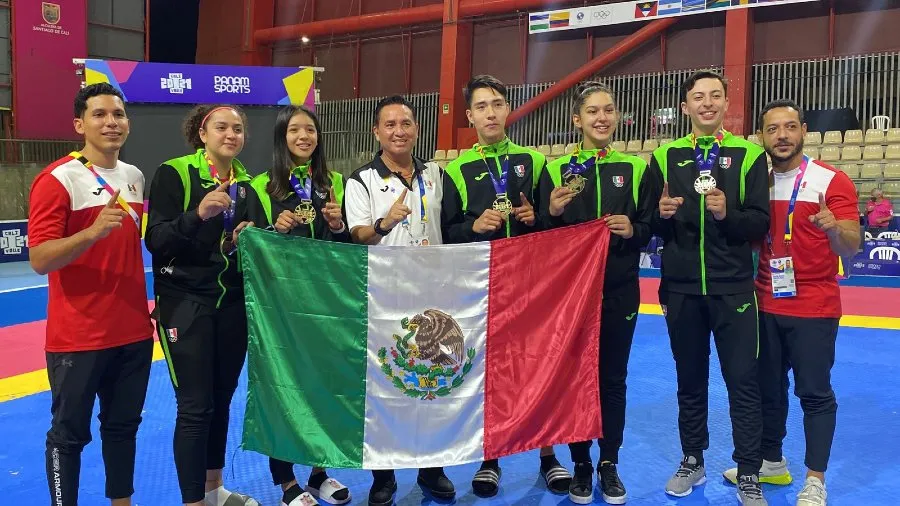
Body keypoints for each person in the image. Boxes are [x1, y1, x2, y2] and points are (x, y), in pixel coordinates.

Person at [720, 100, 859, 506]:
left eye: (789, 127)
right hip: (763, 302)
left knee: (814, 392)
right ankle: (772, 462)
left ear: (803, 130)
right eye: (772, 129)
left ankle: (815, 479)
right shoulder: (753, 180)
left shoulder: (830, 180)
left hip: (814, 306)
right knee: (768, 390)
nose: (782, 136)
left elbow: (852, 244)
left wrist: (835, 229)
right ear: (761, 136)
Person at [440, 74, 572, 498]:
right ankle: (490, 457)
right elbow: (448, 232)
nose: (491, 112)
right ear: (470, 115)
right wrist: (473, 227)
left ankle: (548, 455)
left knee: (542, 366)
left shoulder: (535, 162)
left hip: (535, 285)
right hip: (484, 287)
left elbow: (555, 223)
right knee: (489, 371)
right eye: (482, 106)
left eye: (497, 103)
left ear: (507, 109)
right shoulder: (456, 170)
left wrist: (539, 218)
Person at [27, 83, 154, 506]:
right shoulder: (56, 179)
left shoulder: (134, 177)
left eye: (118, 114)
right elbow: (41, 259)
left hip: (133, 333)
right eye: (99, 115)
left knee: (123, 430)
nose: (111, 122)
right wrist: (92, 231)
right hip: (78, 338)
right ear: (80, 124)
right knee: (68, 436)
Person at [649, 70, 770, 505]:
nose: (706, 103)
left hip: (733, 288)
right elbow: (650, 224)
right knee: (689, 380)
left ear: (725, 103)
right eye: (697, 97)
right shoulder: (664, 156)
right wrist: (660, 215)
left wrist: (726, 215)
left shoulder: (749, 155)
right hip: (680, 289)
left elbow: (760, 221)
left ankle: (750, 470)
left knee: (743, 381)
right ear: (685, 107)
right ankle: (692, 459)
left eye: (715, 96)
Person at [538, 81, 654, 505]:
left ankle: (609, 462)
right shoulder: (555, 170)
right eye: (592, 111)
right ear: (577, 119)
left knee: (612, 379)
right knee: (575, 379)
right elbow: (544, 237)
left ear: (617, 116)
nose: (601, 118)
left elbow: (650, 226)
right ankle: (581, 462)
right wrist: (551, 211)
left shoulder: (638, 168)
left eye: (608, 110)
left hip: (620, 289)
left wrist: (634, 230)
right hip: (572, 296)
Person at [144, 104, 257, 506]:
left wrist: (240, 237)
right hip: (184, 303)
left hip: (230, 304)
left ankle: (213, 490)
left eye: (238, 129)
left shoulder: (245, 183)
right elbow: (156, 240)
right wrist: (198, 214)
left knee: (222, 399)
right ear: (202, 132)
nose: (231, 134)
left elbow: (227, 246)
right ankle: (193, 502)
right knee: (195, 406)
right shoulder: (175, 172)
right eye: (222, 127)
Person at [343, 95, 452, 505]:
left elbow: (452, 225)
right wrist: (384, 223)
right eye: (389, 124)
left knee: (433, 383)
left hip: (434, 296)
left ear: (417, 128)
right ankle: (384, 476)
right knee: (385, 385)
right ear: (376, 131)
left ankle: (432, 468)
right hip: (384, 297)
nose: (399, 131)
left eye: (405, 123)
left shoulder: (436, 174)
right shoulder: (361, 180)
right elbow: (356, 235)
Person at [245, 105, 352, 506]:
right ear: (281, 137)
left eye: (310, 129)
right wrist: (275, 230)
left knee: (324, 386)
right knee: (283, 388)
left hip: (327, 302)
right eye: (295, 130)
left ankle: (320, 472)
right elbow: (249, 245)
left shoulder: (336, 182)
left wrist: (339, 226)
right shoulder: (260, 187)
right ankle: (287, 481)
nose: (304, 136)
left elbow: (348, 248)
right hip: (280, 308)